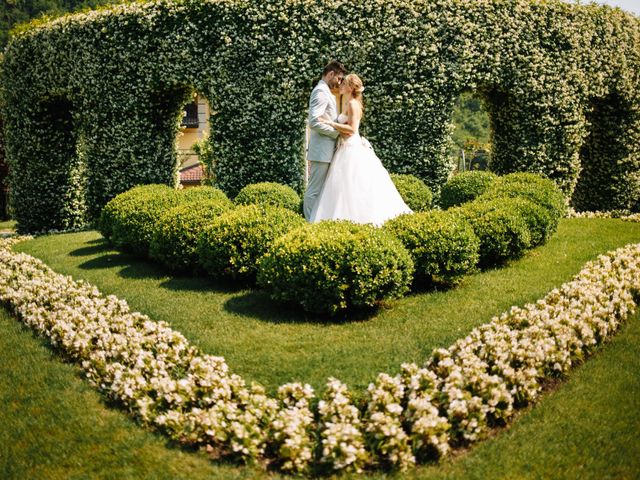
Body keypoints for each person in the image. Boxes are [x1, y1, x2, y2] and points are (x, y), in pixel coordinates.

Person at [309, 73, 412, 226]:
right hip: (345, 147)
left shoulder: (352, 104)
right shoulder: (349, 103)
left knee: (352, 185)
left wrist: (330, 123)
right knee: (342, 188)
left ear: (350, 87)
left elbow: (352, 129)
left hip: (351, 148)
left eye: (344, 84)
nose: (341, 86)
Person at [303, 61, 349, 220]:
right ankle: (309, 223)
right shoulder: (320, 91)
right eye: (339, 78)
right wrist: (336, 134)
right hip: (321, 151)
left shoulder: (326, 91)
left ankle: (317, 221)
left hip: (327, 150)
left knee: (323, 190)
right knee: (314, 190)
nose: (339, 82)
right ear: (331, 74)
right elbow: (314, 122)